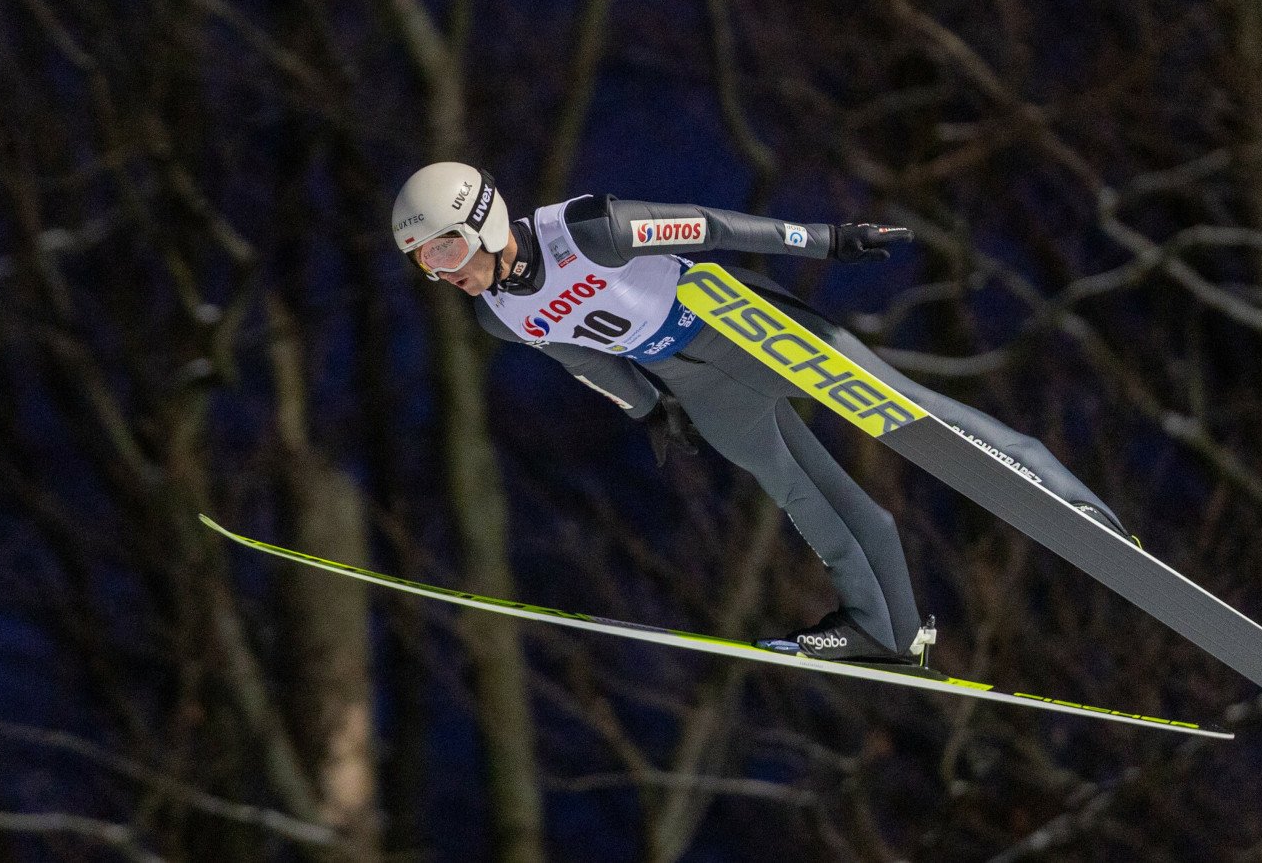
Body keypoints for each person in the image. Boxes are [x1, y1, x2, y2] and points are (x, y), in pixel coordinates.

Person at [392, 161, 1132, 663]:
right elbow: (580, 357)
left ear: (484, 222)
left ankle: (1067, 497)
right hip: (690, 380)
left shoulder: (588, 230)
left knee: (906, 410)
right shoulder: (496, 316)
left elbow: (708, 226)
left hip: (743, 326)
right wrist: (648, 409)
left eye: (446, 251)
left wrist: (825, 241)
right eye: (426, 263)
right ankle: (888, 628)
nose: (444, 273)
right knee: (801, 492)